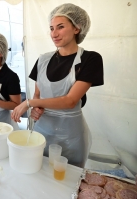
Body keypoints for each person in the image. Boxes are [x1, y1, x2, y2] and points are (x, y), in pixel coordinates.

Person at [11, 3, 104, 168]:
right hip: (42, 131)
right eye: (52, 28)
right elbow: (38, 95)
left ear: (77, 28)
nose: (54, 33)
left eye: (60, 27)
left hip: (71, 136)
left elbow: (70, 101)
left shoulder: (90, 59)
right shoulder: (43, 60)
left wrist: (30, 103)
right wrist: (36, 108)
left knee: (67, 182)